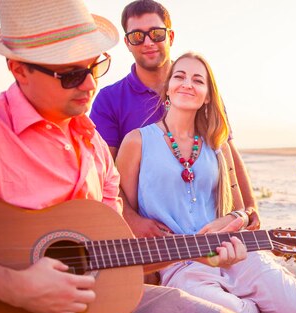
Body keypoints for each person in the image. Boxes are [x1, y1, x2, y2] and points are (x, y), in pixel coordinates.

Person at [0, 1, 255, 313]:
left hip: (103, 307)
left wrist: (200, 248)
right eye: (71, 74)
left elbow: (114, 241)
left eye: (95, 67)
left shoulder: (93, 142)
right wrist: (15, 286)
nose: (89, 85)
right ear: (19, 68)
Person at [115, 51, 296, 313]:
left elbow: (243, 210)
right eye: (180, 76)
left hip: (232, 252)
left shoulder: (217, 145)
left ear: (208, 96)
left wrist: (229, 220)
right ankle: (252, 302)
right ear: (168, 89)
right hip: (180, 266)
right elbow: (119, 203)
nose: (187, 84)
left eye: (198, 80)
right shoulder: (137, 141)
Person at [90, 0, 261, 236]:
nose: (148, 42)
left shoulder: (201, 92)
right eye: (138, 36)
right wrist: (132, 221)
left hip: (206, 232)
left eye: (157, 34)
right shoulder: (109, 99)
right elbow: (102, 172)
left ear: (170, 37)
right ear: (128, 43)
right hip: (151, 236)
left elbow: (227, 151)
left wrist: (249, 208)